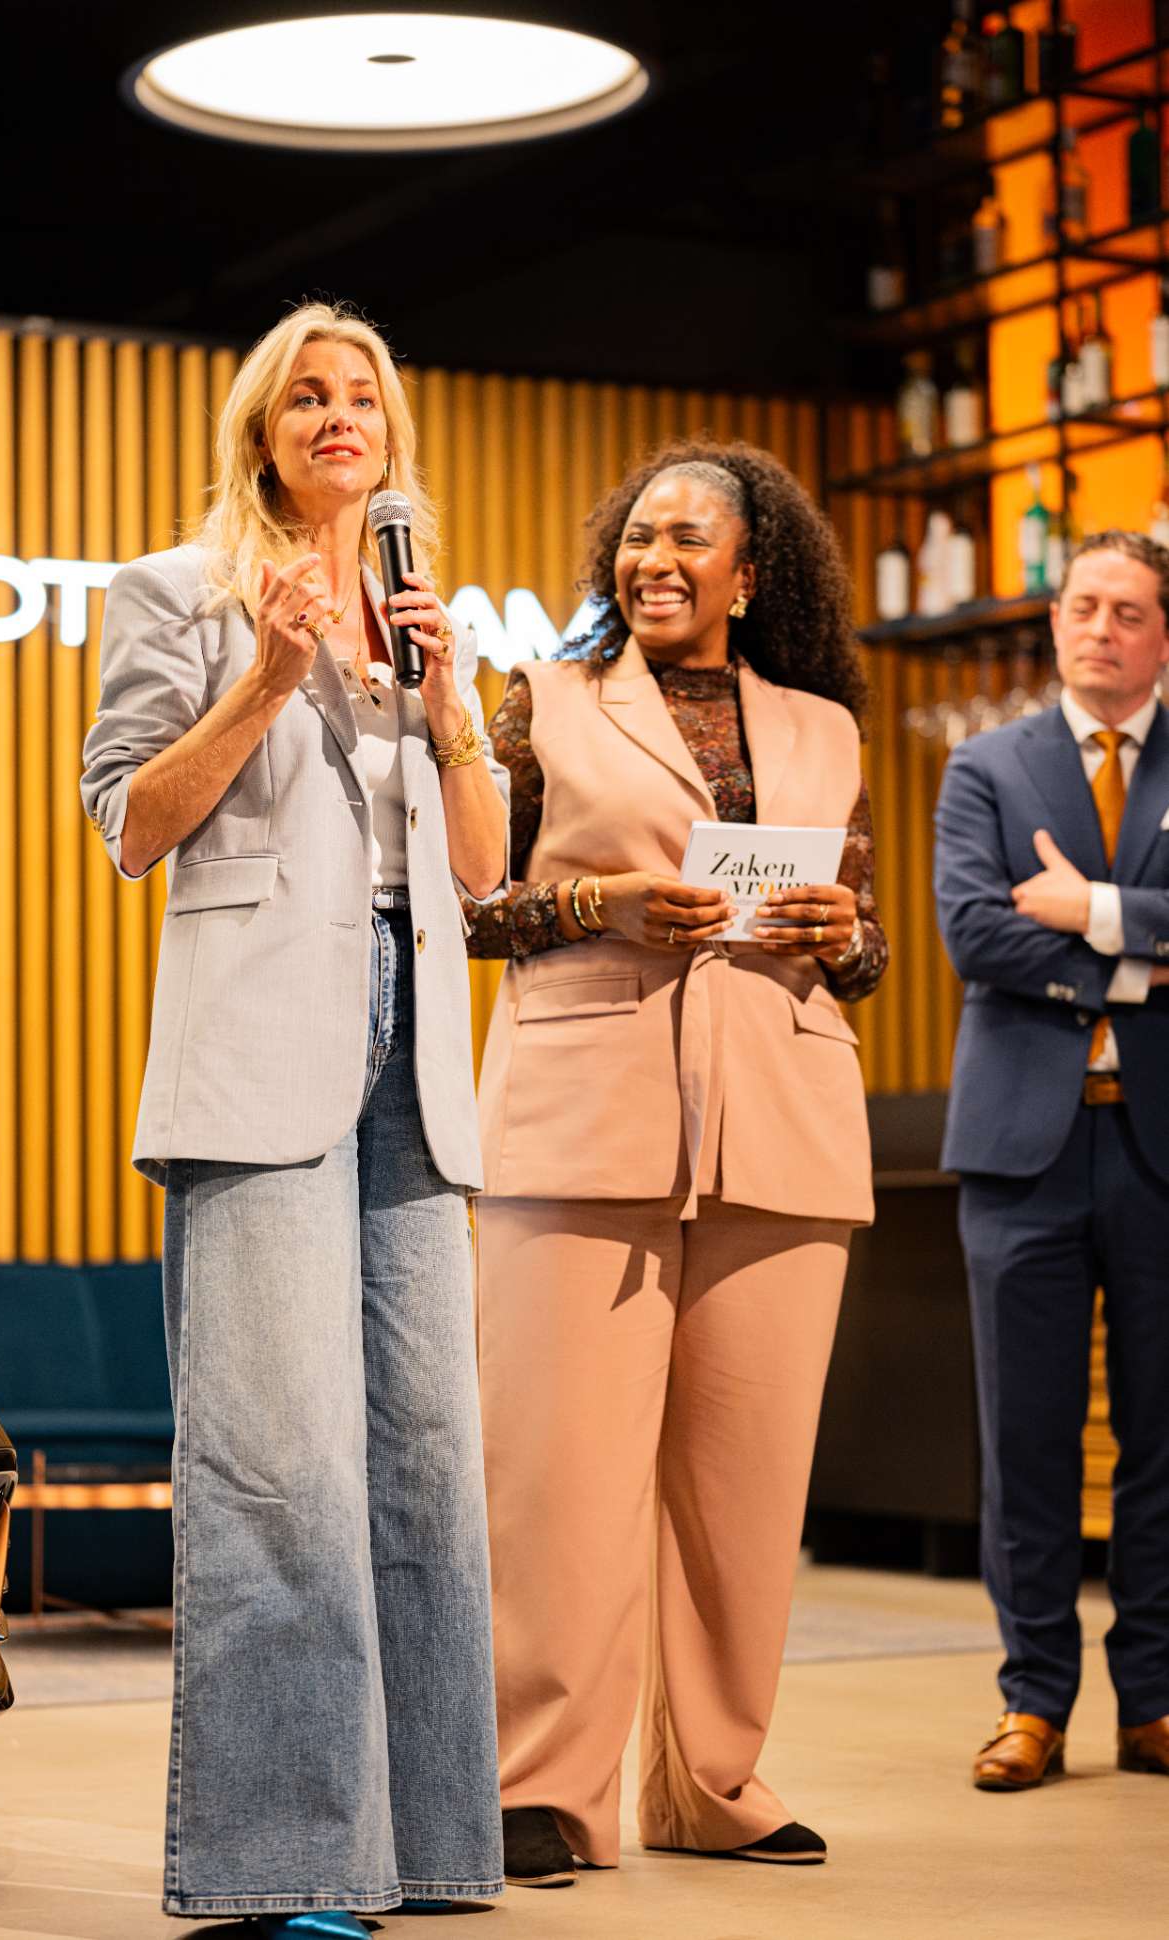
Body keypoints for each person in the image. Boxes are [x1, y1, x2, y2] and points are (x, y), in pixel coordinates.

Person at [81, 301, 508, 1936]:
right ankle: (282, 1860)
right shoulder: (176, 593)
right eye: (308, 397)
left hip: (417, 1063)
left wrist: (452, 703)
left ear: (391, 438)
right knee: (279, 1468)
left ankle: (429, 1845)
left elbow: (484, 869)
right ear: (262, 435)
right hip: (260, 1053)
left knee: (423, 1467)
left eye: (363, 399)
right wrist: (265, 676)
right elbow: (132, 824)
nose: (340, 418)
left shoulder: (424, 616)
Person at [465, 439, 888, 1885]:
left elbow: (867, 942)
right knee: (556, 1482)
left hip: (783, 1121)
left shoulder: (824, 726)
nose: (654, 559)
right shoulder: (544, 702)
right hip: (583, 1115)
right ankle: (540, 1786)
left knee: (743, 1490)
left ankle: (712, 1782)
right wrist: (601, 902)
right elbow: (472, 902)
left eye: (688, 540)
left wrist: (845, 933)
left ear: (748, 573)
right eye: (638, 537)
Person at [934, 530, 1169, 1793]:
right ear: (1055, 621)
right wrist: (1146, 961)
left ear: (1163, 634)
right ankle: (1032, 1700)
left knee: (1161, 1439)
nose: (1101, 629)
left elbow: (1040, 930)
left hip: (1158, 1149)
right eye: (1084, 606)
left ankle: (1155, 1699)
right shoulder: (987, 765)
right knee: (1025, 1438)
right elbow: (976, 933)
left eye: (1129, 611)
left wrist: (1092, 911)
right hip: (1021, 1148)